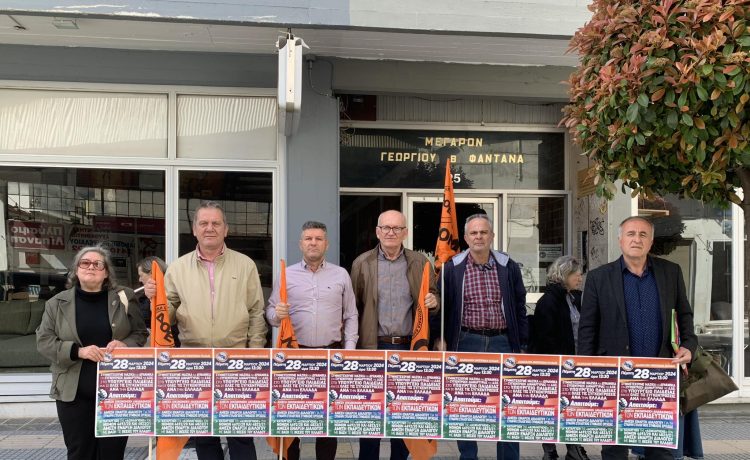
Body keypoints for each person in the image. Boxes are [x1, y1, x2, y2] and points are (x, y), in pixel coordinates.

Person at [145, 200, 267, 460]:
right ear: (194, 229)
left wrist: (255, 354)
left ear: (226, 229)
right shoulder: (177, 268)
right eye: (204, 223)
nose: (209, 228)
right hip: (194, 361)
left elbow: (257, 311)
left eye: (215, 223)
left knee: (240, 434)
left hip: (236, 362)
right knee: (205, 436)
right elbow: (167, 316)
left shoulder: (245, 265)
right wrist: (155, 300)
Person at [578, 216, 698, 460]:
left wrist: (688, 345)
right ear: (620, 240)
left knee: (660, 448)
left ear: (651, 242)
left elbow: (684, 314)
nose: (636, 239)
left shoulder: (671, 272)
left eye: (643, 235)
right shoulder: (599, 277)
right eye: (631, 234)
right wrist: (587, 372)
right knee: (614, 447)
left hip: (659, 374)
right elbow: (587, 328)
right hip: (614, 374)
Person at [36, 245, 148, 460]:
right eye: (85, 263)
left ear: (106, 272)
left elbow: (140, 333)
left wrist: (125, 344)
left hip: (117, 392)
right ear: (76, 270)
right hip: (73, 394)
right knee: (79, 452)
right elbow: (44, 341)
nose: (91, 267)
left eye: (98, 264)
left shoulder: (124, 297)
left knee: (112, 454)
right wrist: (78, 351)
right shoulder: (56, 303)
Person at [437, 213, 528, 460]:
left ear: (492, 236)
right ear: (466, 238)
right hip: (466, 341)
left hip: (502, 342)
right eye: (474, 233)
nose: (479, 237)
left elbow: (520, 306)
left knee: (507, 405)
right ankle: (469, 456)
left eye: (483, 232)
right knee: (465, 406)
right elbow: (443, 307)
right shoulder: (452, 268)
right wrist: (440, 339)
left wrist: (522, 343)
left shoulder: (508, 266)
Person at [350, 209, 439, 460]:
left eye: (397, 228)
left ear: (405, 233)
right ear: (377, 232)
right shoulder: (361, 263)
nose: (391, 232)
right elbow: (353, 308)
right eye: (386, 228)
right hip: (372, 347)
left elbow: (433, 297)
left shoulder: (420, 263)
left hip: (408, 348)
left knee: (402, 415)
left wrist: (434, 301)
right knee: (371, 416)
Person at [266, 220, 358, 460]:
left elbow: (350, 314)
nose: (313, 243)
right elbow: (271, 313)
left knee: (327, 422)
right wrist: (277, 314)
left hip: (331, 355)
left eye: (318, 239)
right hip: (295, 356)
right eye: (308, 238)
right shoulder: (286, 274)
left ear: (326, 244)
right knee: (292, 420)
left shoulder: (341, 274)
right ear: (301, 244)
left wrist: (348, 351)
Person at [530, 255, 589, 460]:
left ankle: (574, 448)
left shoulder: (574, 298)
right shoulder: (549, 301)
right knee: (552, 408)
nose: (580, 278)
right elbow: (545, 338)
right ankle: (550, 451)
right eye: (576, 275)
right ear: (564, 275)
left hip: (575, 363)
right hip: (556, 366)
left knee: (572, 408)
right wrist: (559, 364)